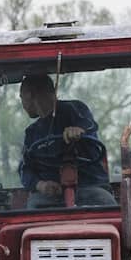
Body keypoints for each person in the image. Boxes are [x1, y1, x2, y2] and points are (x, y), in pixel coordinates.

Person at [17, 74, 117, 209]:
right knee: (34, 206)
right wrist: (41, 185)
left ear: (29, 95)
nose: (22, 103)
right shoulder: (32, 132)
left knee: (106, 202)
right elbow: (25, 169)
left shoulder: (74, 110)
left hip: (90, 188)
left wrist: (78, 130)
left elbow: (88, 124)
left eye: (21, 97)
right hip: (51, 198)